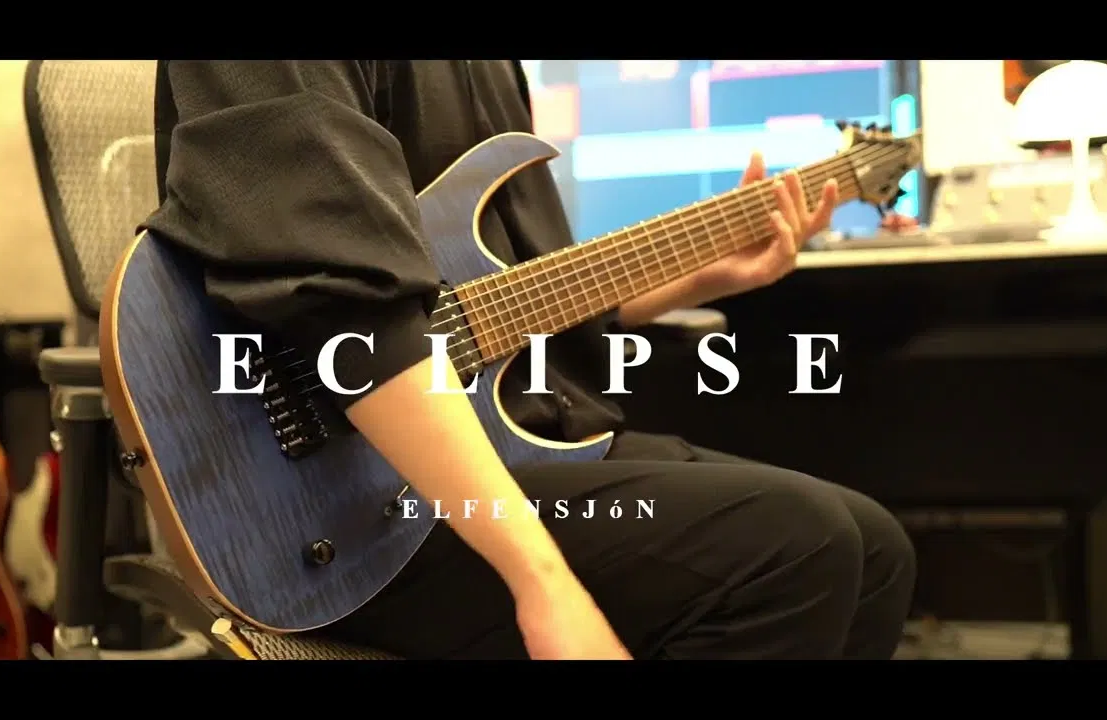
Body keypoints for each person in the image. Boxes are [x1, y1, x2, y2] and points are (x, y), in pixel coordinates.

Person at [145, 60, 917, 660]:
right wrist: (542, 580)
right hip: (336, 504)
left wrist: (697, 273)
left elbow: (490, 305)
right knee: (798, 548)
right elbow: (346, 311)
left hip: (510, 433)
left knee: (876, 549)